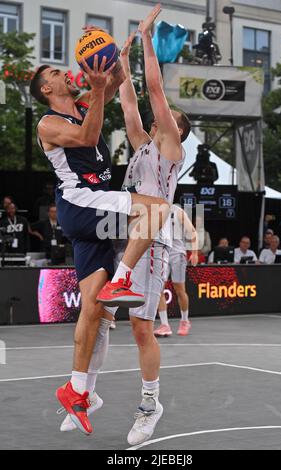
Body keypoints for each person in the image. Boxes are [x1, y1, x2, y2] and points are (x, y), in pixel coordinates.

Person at [60, 5, 191, 445]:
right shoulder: (141, 145)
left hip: (154, 240)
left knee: (140, 326)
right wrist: (122, 62)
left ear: (173, 129)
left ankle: (150, 404)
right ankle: (84, 394)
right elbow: (131, 100)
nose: (158, 118)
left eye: (167, 119)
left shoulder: (170, 149)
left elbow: (154, 91)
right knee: (96, 314)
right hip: (126, 236)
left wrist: (148, 37)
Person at [30, 25, 170, 436]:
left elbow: (120, 84)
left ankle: (78, 392)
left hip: (92, 211)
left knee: (93, 312)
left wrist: (115, 59)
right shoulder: (48, 123)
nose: (63, 72)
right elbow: (89, 135)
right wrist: (95, 92)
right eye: (55, 73)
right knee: (158, 210)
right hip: (82, 204)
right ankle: (123, 278)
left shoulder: (84, 101)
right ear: (46, 89)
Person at [154, 205, 198, 338]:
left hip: (177, 253)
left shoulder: (178, 211)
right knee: (158, 289)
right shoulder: (154, 209)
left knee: (179, 289)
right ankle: (164, 324)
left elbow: (193, 232)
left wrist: (194, 252)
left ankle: (185, 320)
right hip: (161, 253)